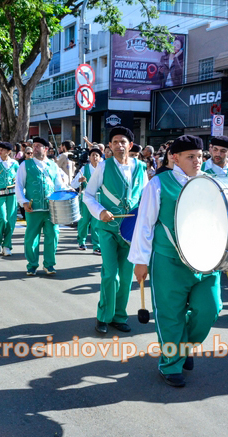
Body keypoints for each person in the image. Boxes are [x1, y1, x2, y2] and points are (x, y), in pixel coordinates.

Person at [130, 135, 219, 387]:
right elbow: (144, 224)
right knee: (170, 315)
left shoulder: (208, 182)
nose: (197, 161)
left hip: (205, 260)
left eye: (200, 156)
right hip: (168, 260)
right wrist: (140, 260)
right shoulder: (158, 184)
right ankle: (170, 364)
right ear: (174, 158)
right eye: (191, 157)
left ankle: (185, 347)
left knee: (210, 308)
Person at [83, 126, 148, 334]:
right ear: (109, 146)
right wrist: (100, 211)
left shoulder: (141, 167)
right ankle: (103, 316)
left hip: (131, 232)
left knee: (127, 276)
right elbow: (88, 195)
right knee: (111, 274)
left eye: (123, 142)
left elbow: (147, 199)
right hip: (108, 229)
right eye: (115, 142)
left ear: (130, 145)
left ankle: (119, 316)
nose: (119, 145)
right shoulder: (103, 167)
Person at [15, 137, 68, 275]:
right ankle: (32, 265)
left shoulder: (53, 165)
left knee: (53, 235)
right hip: (33, 208)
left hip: (51, 209)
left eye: (39, 146)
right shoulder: (25, 165)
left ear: (46, 149)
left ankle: (49, 265)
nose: (35, 148)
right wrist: (24, 202)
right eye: (34, 146)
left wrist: (67, 191)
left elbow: (59, 185)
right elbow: (19, 186)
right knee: (32, 237)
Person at [74, 148, 103, 254]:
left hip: (99, 199)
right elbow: (73, 184)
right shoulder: (84, 169)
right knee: (84, 221)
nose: (95, 157)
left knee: (96, 222)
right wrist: (79, 180)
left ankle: (97, 245)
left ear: (100, 158)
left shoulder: (103, 169)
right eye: (93, 155)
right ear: (89, 157)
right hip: (86, 199)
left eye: (97, 155)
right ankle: (81, 241)